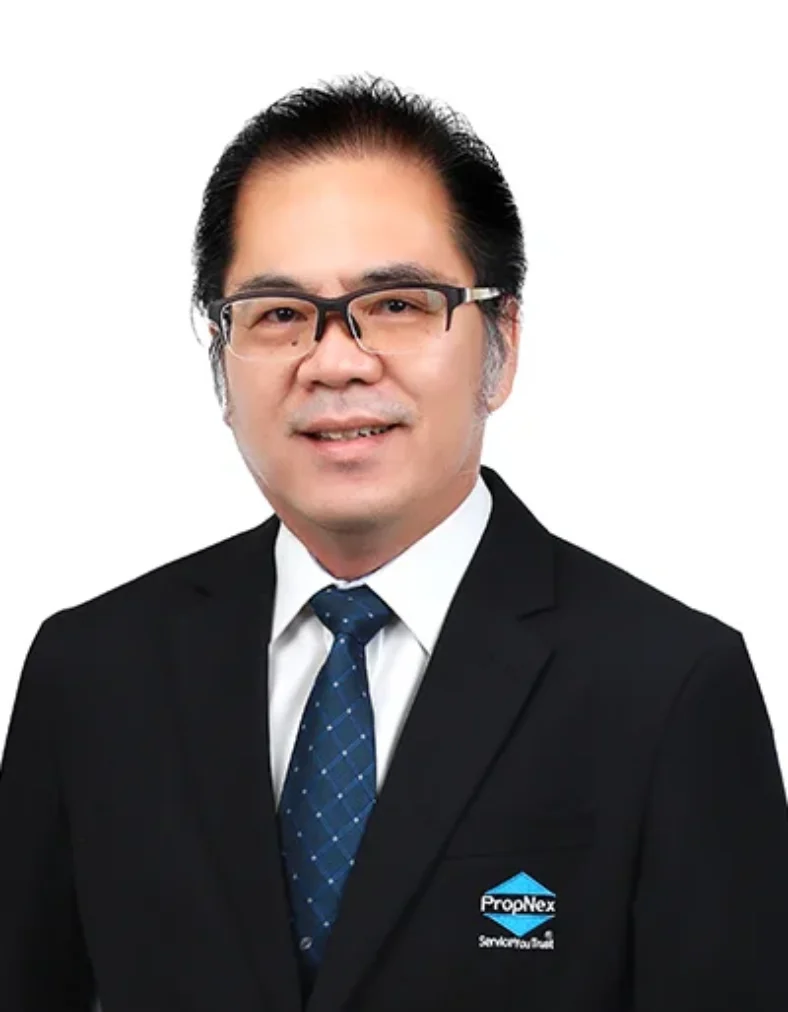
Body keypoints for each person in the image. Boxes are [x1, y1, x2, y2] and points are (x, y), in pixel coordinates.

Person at [1, 73, 786, 1012]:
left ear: (501, 343)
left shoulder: (671, 688)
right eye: (279, 313)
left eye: (399, 304)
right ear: (220, 356)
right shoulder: (90, 673)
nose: (336, 361)